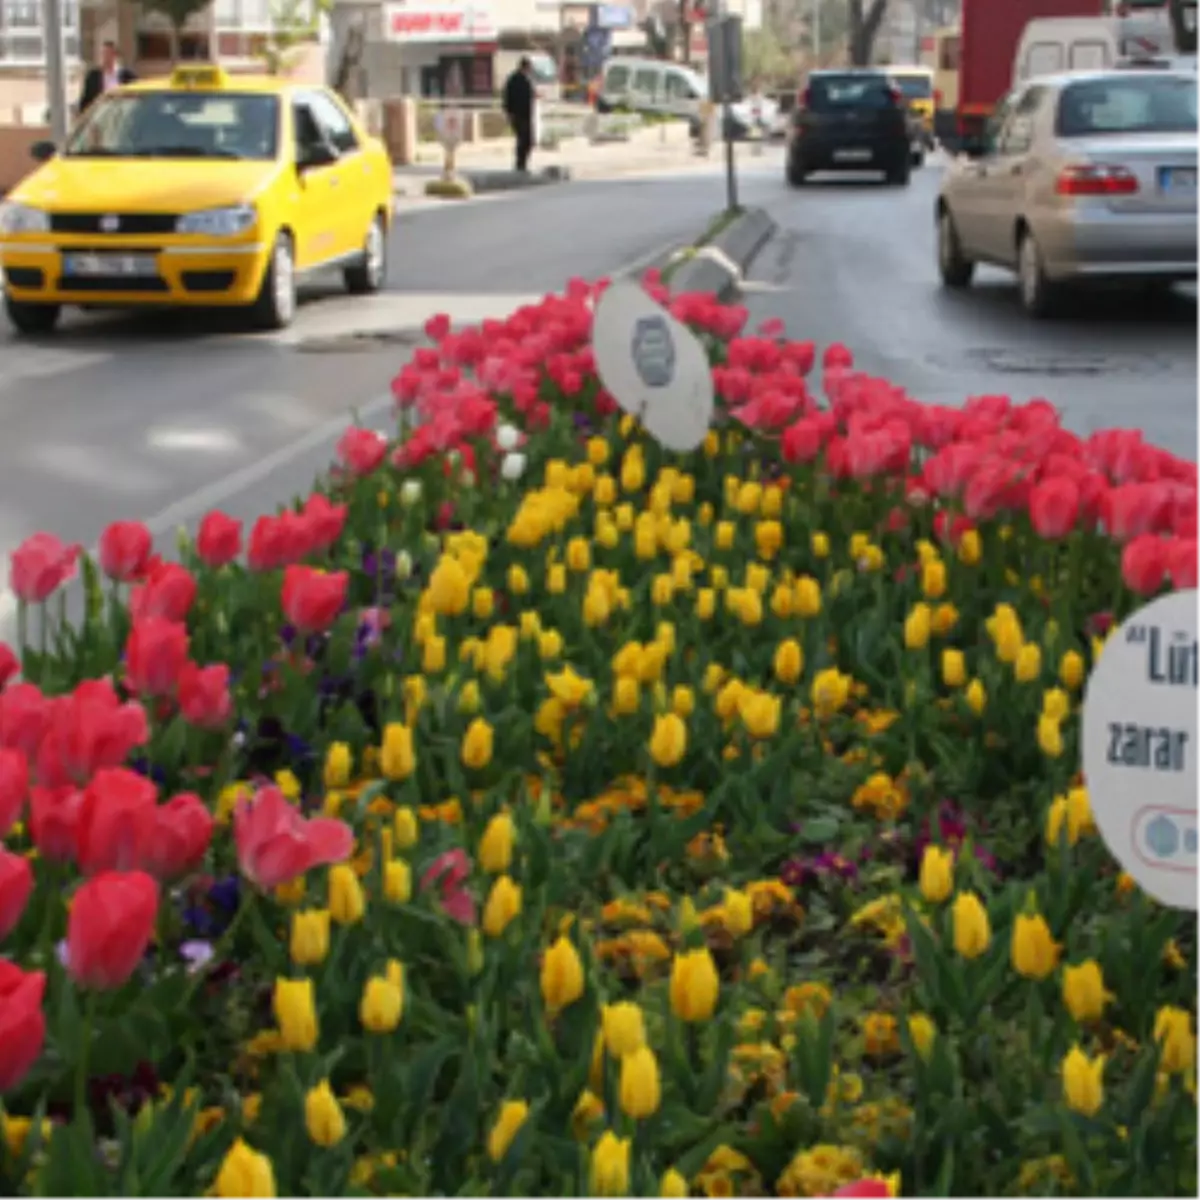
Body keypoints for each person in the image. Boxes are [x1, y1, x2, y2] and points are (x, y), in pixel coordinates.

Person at [79, 41, 136, 115]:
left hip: (121, 114)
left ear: (115, 55)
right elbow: (86, 100)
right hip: (101, 115)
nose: (105, 57)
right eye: (103, 54)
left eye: (108, 53)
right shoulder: (93, 76)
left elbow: (135, 97)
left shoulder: (127, 75)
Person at [502, 56, 535, 172]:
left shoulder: (526, 80)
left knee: (528, 139)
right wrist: (509, 112)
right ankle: (520, 163)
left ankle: (522, 162)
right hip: (518, 114)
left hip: (526, 114)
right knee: (523, 138)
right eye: (529, 67)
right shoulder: (514, 79)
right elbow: (507, 97)